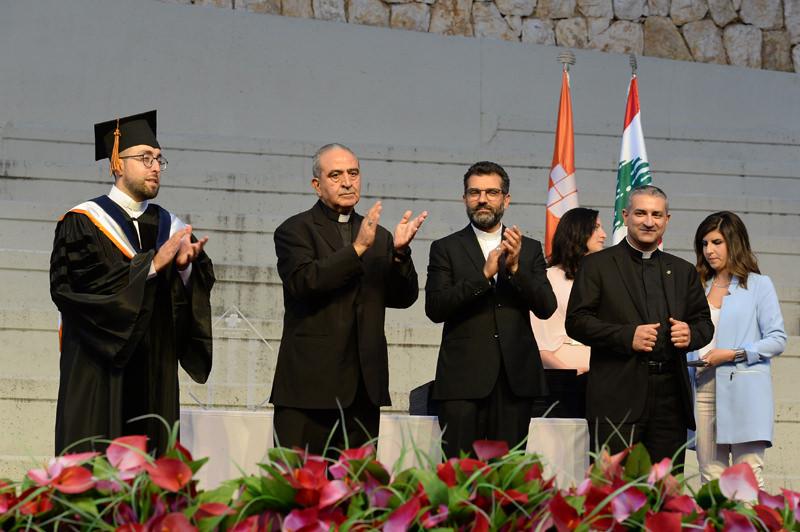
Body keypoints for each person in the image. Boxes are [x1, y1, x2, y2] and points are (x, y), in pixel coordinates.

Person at [50, 110, 214, 454]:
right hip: (99, 370)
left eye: (158, 159)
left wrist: (185, 269)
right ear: (117, 164)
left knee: (153, 466)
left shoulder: (170, 227)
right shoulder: (83, 222)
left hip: (154, 369)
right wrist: (151, 266)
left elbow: (190, 298)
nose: (155, 167)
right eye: (144, 158)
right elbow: (73, 290)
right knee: (97, 463)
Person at [271, 143, 427, 455]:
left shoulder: (379, 235)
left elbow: (403, 297)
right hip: (309, 386)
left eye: (353, 173)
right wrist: (356, 250)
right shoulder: (295, 230)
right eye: (336, 175)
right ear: (317, 185)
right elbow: (304, 282)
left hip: (363, 389)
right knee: (298, 481)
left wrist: (399, 253)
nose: (347, 182)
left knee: (357, 481)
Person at [565, 185, 713, 466]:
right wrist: (626, 336)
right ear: (626, 216)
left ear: (667, 219)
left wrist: (690, 334)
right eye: (641, 213)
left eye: (656, 215)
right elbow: (576, 322)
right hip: (616, 398)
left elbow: (704, 323)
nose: (649, 221)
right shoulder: (597, 265)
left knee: (666, 487)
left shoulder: (683, 271)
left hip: (670, 401)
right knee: (613, 485)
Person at [426, 161, 557, 457]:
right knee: (459, 473)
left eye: (491, 192)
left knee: (508, 475)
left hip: (515, 381)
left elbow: (546, 307)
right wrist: (483, 276)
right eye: (474, 192)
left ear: (506, 200)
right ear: (464, 198)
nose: (482, 199)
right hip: (462, 381)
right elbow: (435, 308)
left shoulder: (529, 248)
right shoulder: (445, 248)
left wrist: (516, 269)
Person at [689, 211, 786, 488]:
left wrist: (733, 353)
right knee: (711, 481)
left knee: (747, 480)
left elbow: (777, 339)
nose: (709, 250)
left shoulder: (758, 285)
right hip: (702, 390)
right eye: (704, 244)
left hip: (744, 391)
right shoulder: (697, 286)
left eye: (716, 242)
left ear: (734, 242)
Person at [531, 207, 606, 374]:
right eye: (596, 227)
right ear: (577, 231)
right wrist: (569, 373)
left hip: (601, 377)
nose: (603, 235)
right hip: (563, 379)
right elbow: (538, 343)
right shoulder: (548, 279)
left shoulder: (601, 280)